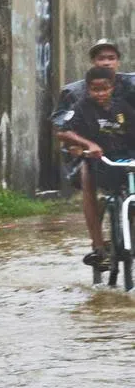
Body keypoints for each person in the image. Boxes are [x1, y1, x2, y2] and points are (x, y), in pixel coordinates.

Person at [51, 38, 135, 266]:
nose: (106, 62)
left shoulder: (131, 86)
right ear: (92, 62)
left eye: (111, 58)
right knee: (88, 176)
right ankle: (98, 246)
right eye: (101, 58)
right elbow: (62, 127)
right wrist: (85, 146)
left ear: (118, 61)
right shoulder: (75, 93)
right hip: (88, 153)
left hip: (125, 149)